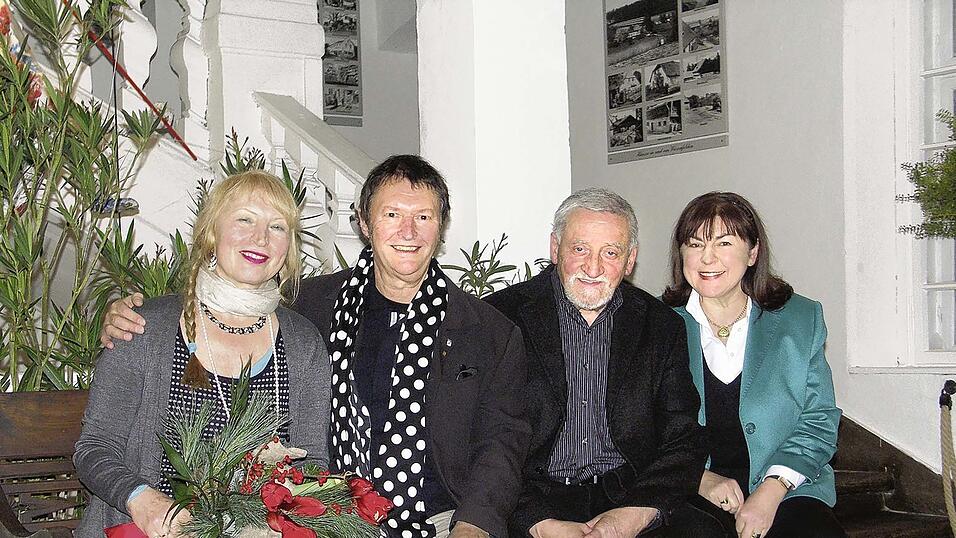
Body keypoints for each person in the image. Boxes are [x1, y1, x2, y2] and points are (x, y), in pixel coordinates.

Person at [99, 155, 531, 538]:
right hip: (332, 514)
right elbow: (229, 300)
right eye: (392, 214)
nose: (408, 231)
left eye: (424, 217)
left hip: (439, 520)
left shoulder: (488, 332)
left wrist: (473, 528)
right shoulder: (312, 307)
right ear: (363, 223)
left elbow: (502, 443)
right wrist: (119, 314)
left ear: (441, 227)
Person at [75, 171, 331, 538]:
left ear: (288, 249)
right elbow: (95, 449)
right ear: (212, 234)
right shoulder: (142, 328)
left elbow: (312, 462)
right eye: (245, 219)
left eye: (277, 227)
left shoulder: (303, 343)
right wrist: (141, 500)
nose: (260, 237)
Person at [485, 188, 719, 538]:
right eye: (580, 249)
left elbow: (683, 437)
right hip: (530, 498)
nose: (593, 268)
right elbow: (479, 438)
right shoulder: (499, 319)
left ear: (630, 260)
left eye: (610, 253)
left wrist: (633, 516)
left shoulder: (660, 325)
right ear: (555, 248)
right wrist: (536, 522)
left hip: (629, 493)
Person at [661, 191, 845, 538]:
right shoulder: (657, 325)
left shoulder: (801, 319)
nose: (707, 258)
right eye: (695, 244)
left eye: (724, 242)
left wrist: (771, 490)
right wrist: (698, 478)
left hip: (789, 486)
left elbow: (819, 421)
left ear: (753, 252)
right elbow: (642, 428)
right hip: (691, 490)